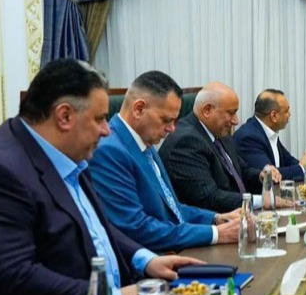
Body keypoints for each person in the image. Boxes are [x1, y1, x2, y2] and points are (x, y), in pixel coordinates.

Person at [0, 59, 203, 295]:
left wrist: (144, 258)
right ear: (64, 116)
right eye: (99, 119)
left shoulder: (68, 154)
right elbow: (12, 276)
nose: (107, 130)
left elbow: (96, 227)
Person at [89, 71, 241, 252]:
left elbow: (172, 209)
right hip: (152, 260)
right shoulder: (109, 151)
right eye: (166, 120)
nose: (171, 129)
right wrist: (216, 234)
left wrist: (217, 218)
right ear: (139, 109)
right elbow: (135, 227)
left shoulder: (146, 142)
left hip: (175, 248)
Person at [159, 82, 278, 213]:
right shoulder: (185, 142)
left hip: (239, 214)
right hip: (211, 221)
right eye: (231, 113)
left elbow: (240, 170)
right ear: (207, 110)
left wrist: (261, 175)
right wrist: (262, 200)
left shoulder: (220, 132)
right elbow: (210, 198)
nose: (236, 121)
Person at [234, 89, 306, 182]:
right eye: (286, 111)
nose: (290, 114)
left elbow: (288, 160)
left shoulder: (267, 131)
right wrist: (302, 168)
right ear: (274, 116)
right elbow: (270, 175)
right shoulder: (249, 137)